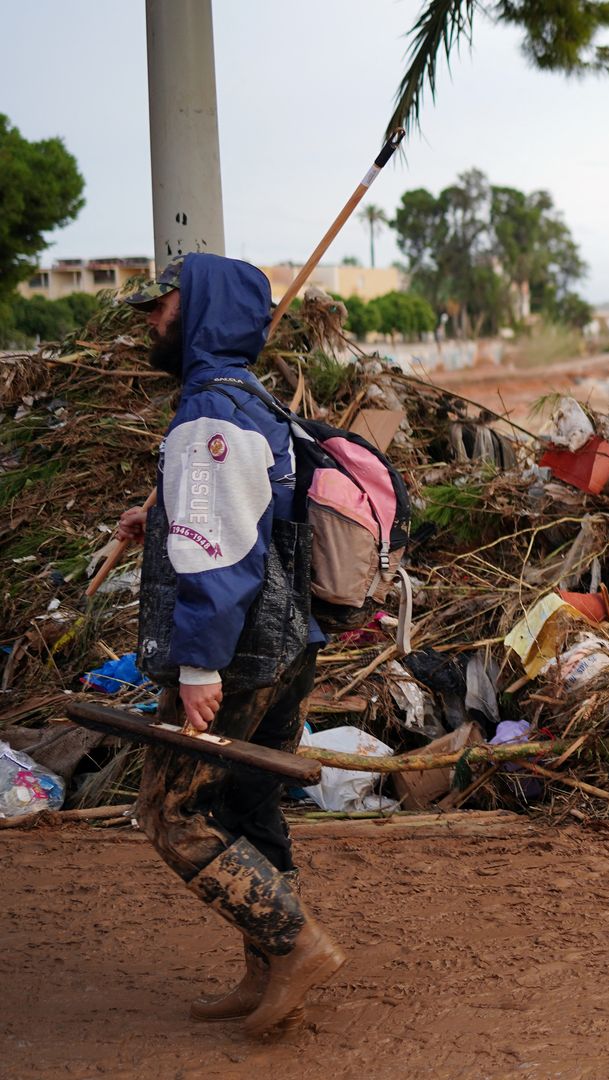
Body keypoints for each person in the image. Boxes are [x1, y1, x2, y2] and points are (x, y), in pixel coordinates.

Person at [115, 254, 344, 1038]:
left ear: (201, 310)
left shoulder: (211, 409)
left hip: (236, 652)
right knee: (248, 803)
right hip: (287, 645)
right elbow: (248, 516)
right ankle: (265, 972)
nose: (150, 320)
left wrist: (200, 665)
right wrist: (158, 514)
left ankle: (296, 944)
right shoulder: (254, 401)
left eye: (162, 305)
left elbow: (217, 552)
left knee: (170, 813)